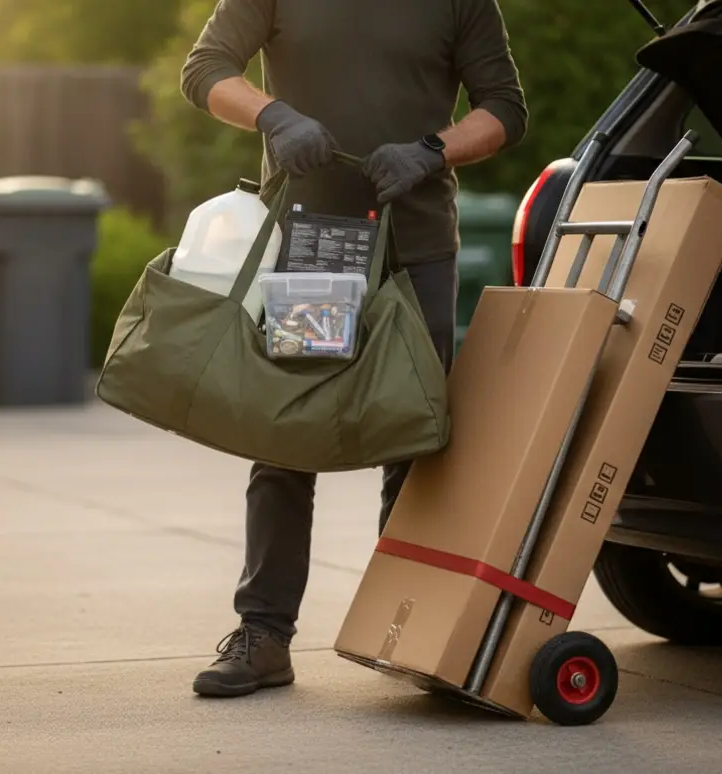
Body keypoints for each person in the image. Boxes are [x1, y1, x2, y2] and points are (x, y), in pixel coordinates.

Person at [179, 0, 528, 698]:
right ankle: (264, 636)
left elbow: (504, 110)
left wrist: (431, 150)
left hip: (414, 251)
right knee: (285, 436)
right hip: (313, 250)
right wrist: (275, 117)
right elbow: (205, 69)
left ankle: (417, 633)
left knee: (414, 438)